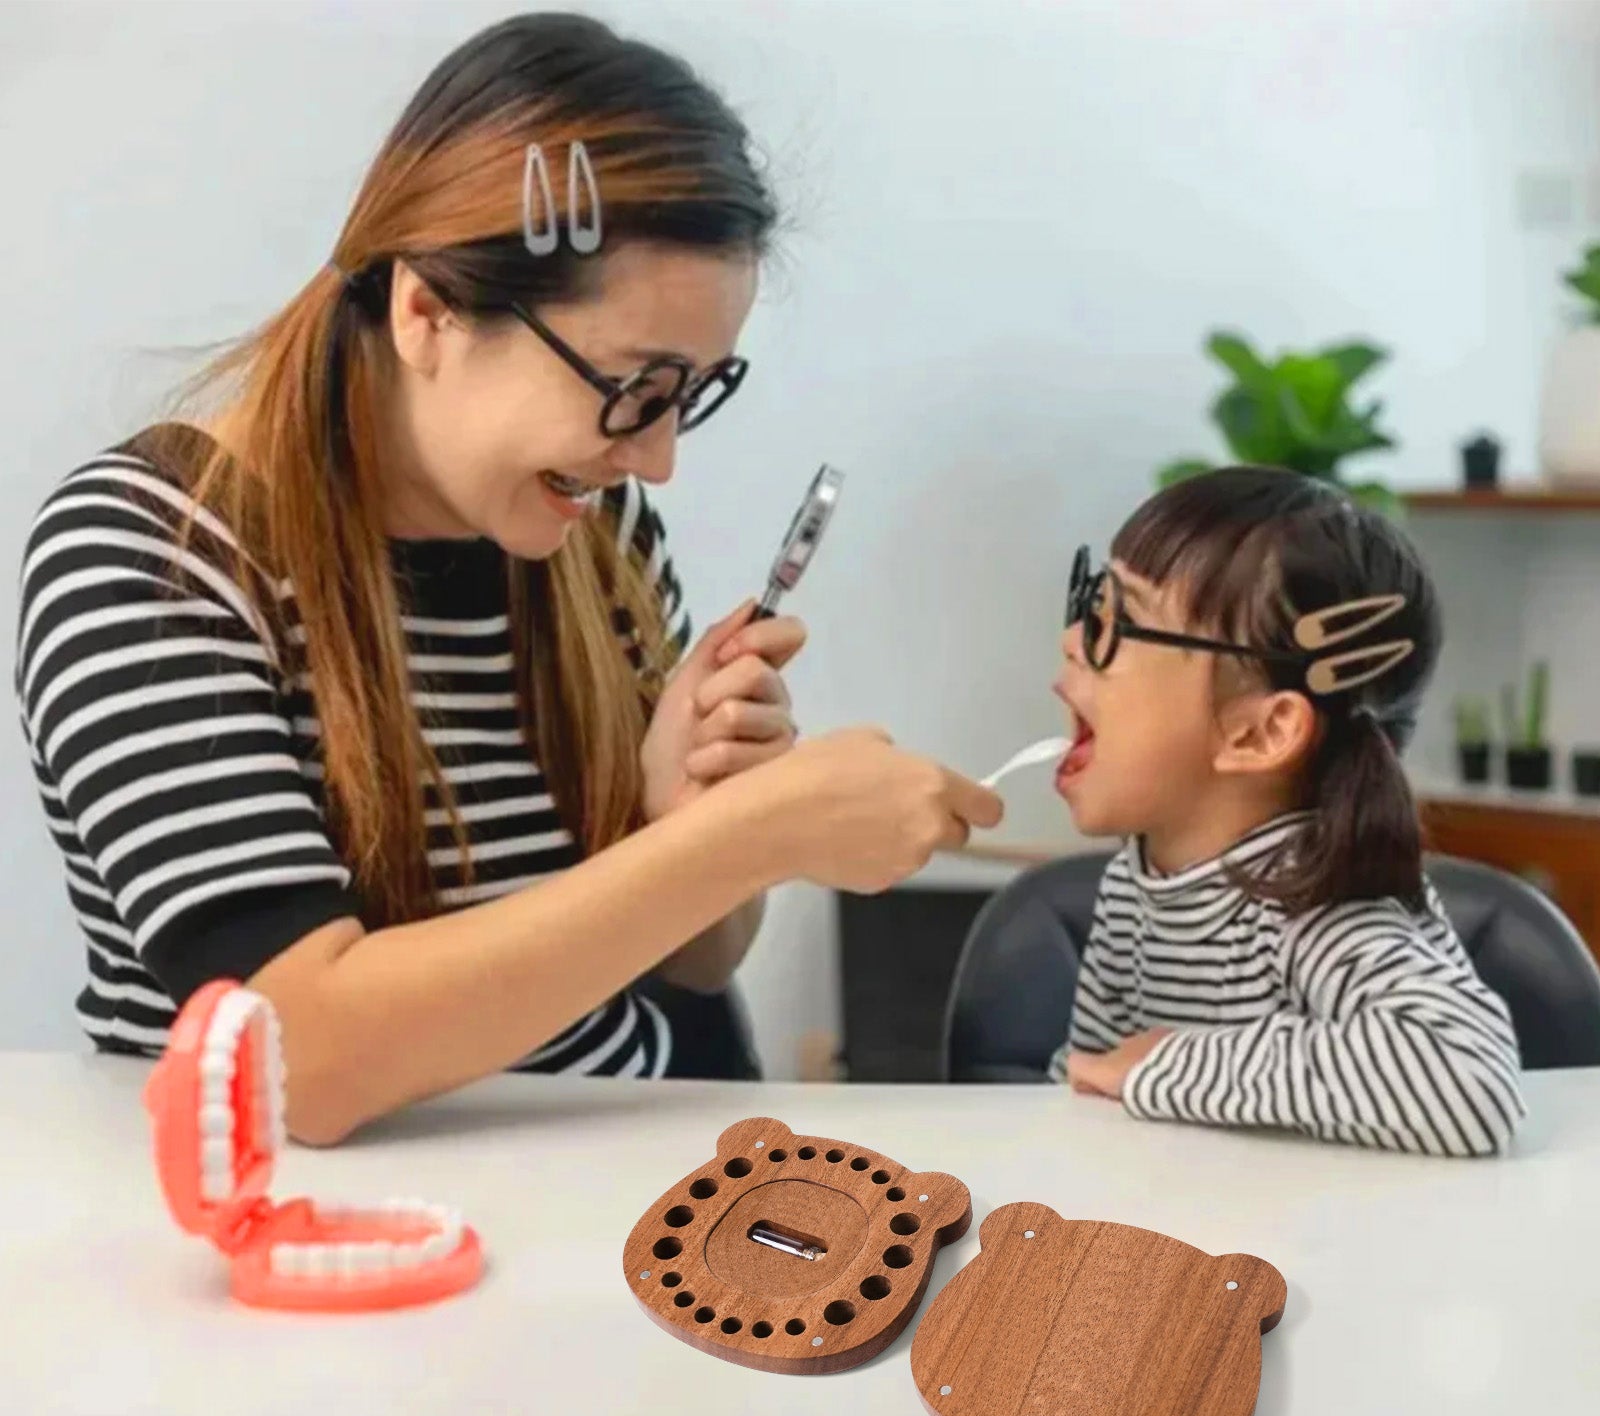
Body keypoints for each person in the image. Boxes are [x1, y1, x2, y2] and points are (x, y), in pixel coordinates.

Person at [13, 13, 1001, 1143]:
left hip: (604, 1173)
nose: (658, 457)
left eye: (693, 394)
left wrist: (679, 814)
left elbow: (694, 961)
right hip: (305, 1238)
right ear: (427, 308)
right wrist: (743, 837)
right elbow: (298, 1063)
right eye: (635, 386)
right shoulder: (154, 551)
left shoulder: (594, 528)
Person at [1046, 466, 1526, 1157]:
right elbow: (1092, 1088)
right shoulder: (1137, 881)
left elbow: (1469, 1077)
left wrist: (1169, 1065)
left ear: (1259, 733)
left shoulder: (1313, 898)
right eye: (1094, 603)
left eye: (1124, 622)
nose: (1072, 637)